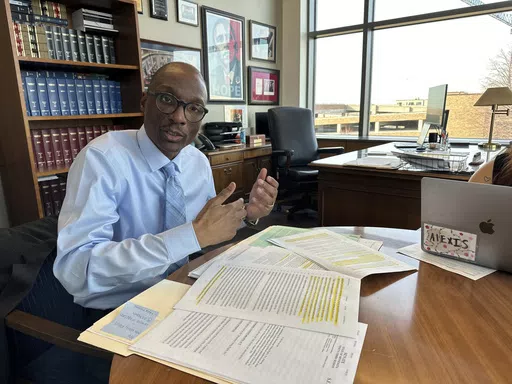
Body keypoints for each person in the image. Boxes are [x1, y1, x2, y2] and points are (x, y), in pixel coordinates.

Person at [54, 62, 278, 310]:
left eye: (193, 108)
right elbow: (77, 270)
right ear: (144, 103)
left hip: (184, 290)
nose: (179, 117)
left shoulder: (197, 162)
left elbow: (206, 231)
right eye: (167, 100)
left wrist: (249, 214)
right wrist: (189, 237)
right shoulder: (102, 158)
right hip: (121, 305)